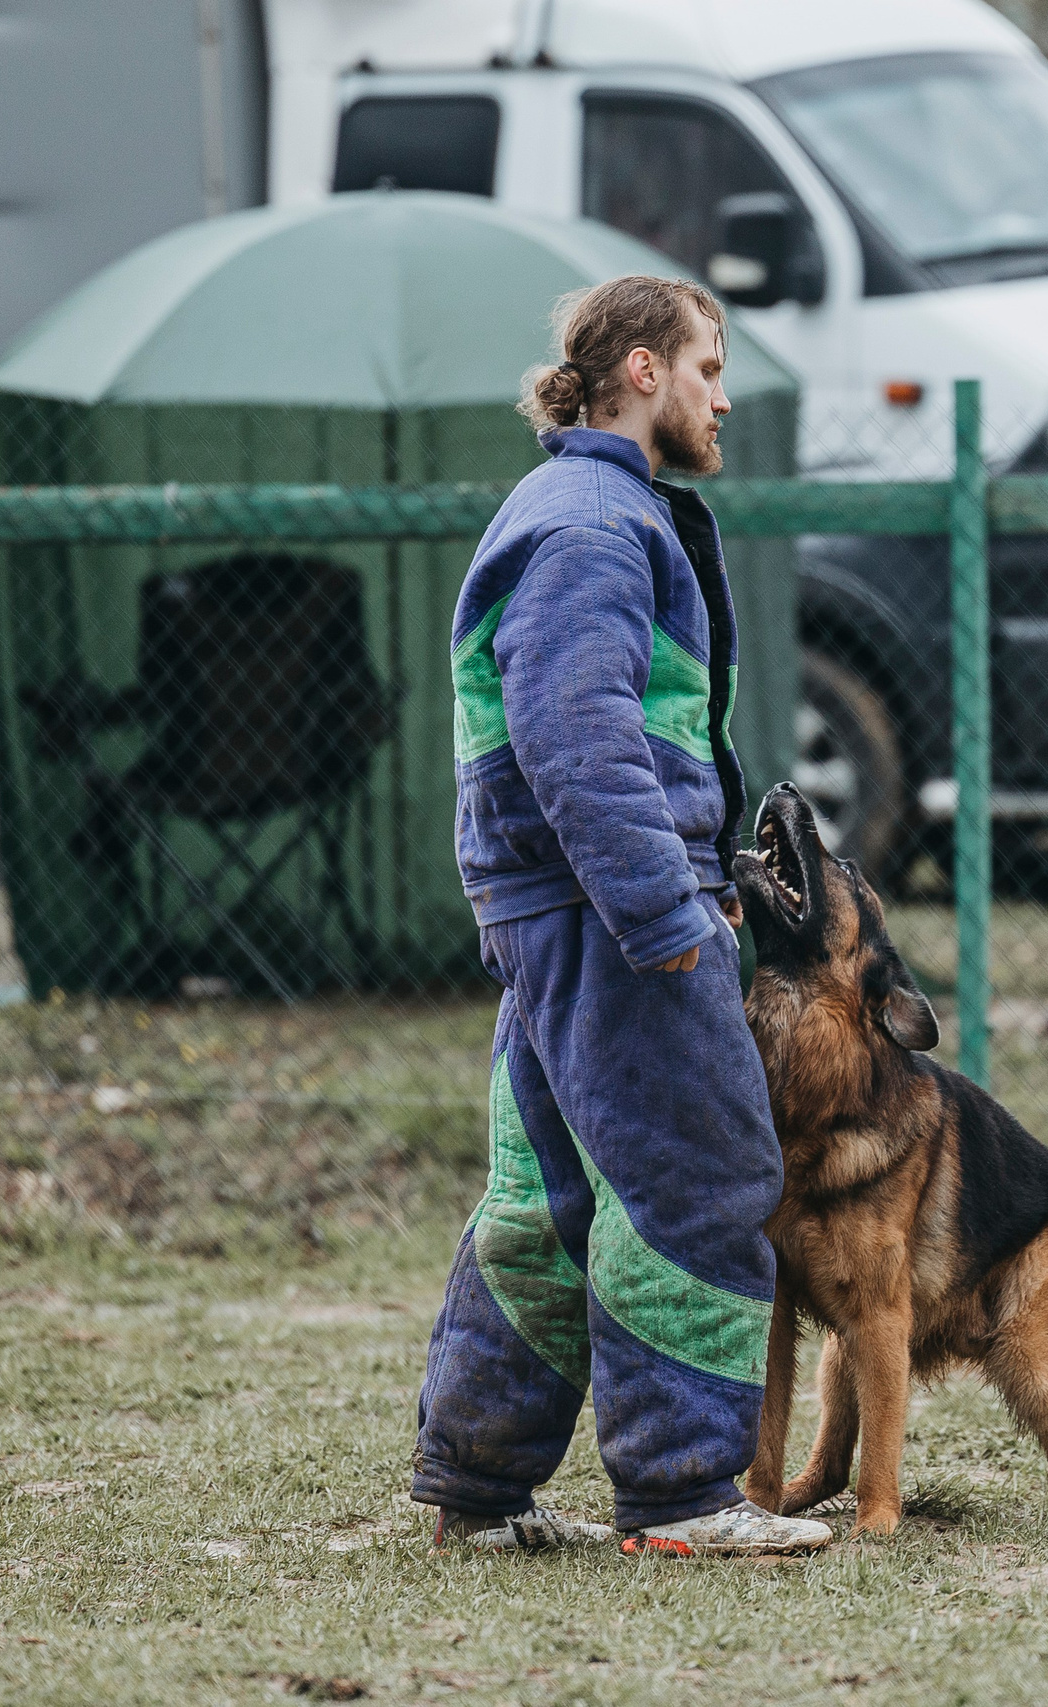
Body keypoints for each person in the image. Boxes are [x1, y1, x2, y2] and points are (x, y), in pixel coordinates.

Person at [410, 276, 834, 1557]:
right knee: (694, 1184)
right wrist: (669, 913)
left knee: (544, 1201)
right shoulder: (595, 525)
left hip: (560, 912)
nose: (723, 396)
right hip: (613, 917)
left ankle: (476, 1490)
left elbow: (615, 731)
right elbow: (576, 733)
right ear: (641, 373)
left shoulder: (576, 509)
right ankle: (684, 1497)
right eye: (709, 367)